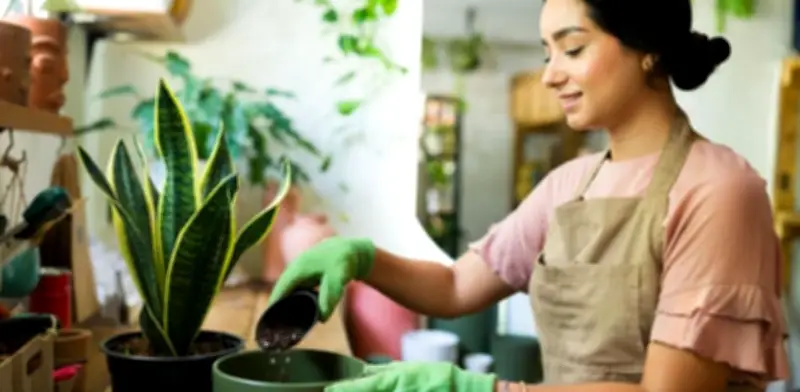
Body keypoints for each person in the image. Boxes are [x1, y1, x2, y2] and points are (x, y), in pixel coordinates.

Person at [269, 0, 790, 390]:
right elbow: (454, 287)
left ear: (648, 48)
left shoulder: (721, 193)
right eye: (547, 52)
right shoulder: (568, 185)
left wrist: (481, 388)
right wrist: (360, 257)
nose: (550, 74)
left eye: (573, 48)